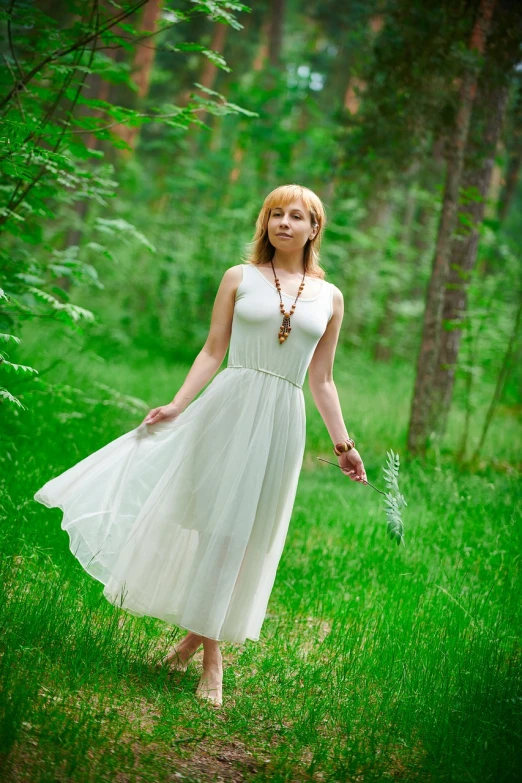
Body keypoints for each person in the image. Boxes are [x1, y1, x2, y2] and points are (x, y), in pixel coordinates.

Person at [33, 183, 367, 708]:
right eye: (275, 214)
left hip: (283, 416)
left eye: (296, 216)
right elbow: (212, 351)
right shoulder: (240, 278)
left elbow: (322, 379)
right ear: (265, 224)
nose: (284, 222)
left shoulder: (330, 298)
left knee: (247, 534)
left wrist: (343, 445)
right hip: (230, 405)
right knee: (214, 523)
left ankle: (193, 638)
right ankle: (213, 660)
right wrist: (178, 404)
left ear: (313, 228)